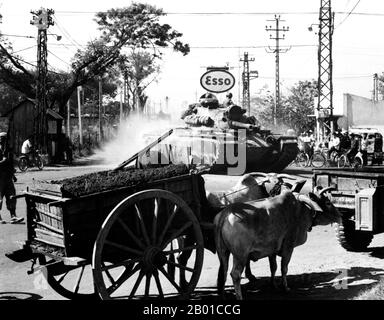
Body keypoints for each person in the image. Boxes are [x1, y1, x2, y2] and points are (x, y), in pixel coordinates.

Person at [0, 132, 23, 224]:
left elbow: (10, 165)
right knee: (0, 198)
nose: (3, 140)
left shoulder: (8, 151)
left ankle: (13, 216)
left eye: (5, 139)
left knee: (11, 196)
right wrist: (2, 161)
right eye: (1, 138)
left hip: (8, 177)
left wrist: (13, 176)